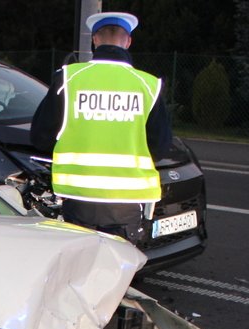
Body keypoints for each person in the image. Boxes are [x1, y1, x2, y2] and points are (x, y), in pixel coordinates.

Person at [30, 11, 172, 245]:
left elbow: (41, 137)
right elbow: (160, 146)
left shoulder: (69, 78)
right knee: (119, 264)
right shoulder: (148, 85)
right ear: (128, 42)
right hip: (126, 200)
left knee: (80, 263)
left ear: (95, 40)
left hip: (78, 198)